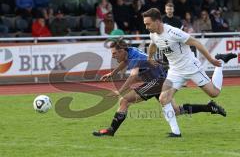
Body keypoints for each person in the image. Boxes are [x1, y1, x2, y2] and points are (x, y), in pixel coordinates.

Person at [92, 38, 226, 137]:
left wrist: (120, 91)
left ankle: (111, 130)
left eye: (114, 54)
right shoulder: (130, 51)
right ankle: (209, 107)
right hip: (161, 80)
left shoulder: (134, 57)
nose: (113, 56)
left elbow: (133, 76)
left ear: (121, 51)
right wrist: (113, 73)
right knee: (175, 111)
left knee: (124, 100)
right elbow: (124, 62)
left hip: (157, 81)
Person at [142, 8, 237, 136]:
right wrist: (149, 58)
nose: (146, 27)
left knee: (214, 93)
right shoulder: (153, 34)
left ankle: (220, 62)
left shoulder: (173, 32)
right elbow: (153, 44)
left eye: (148, 24)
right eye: (145, 24)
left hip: (191, 68)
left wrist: (211, 60)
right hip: (175, 71)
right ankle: (176, 132)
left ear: (158, 21)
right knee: (163, 99)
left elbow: (196, 42)